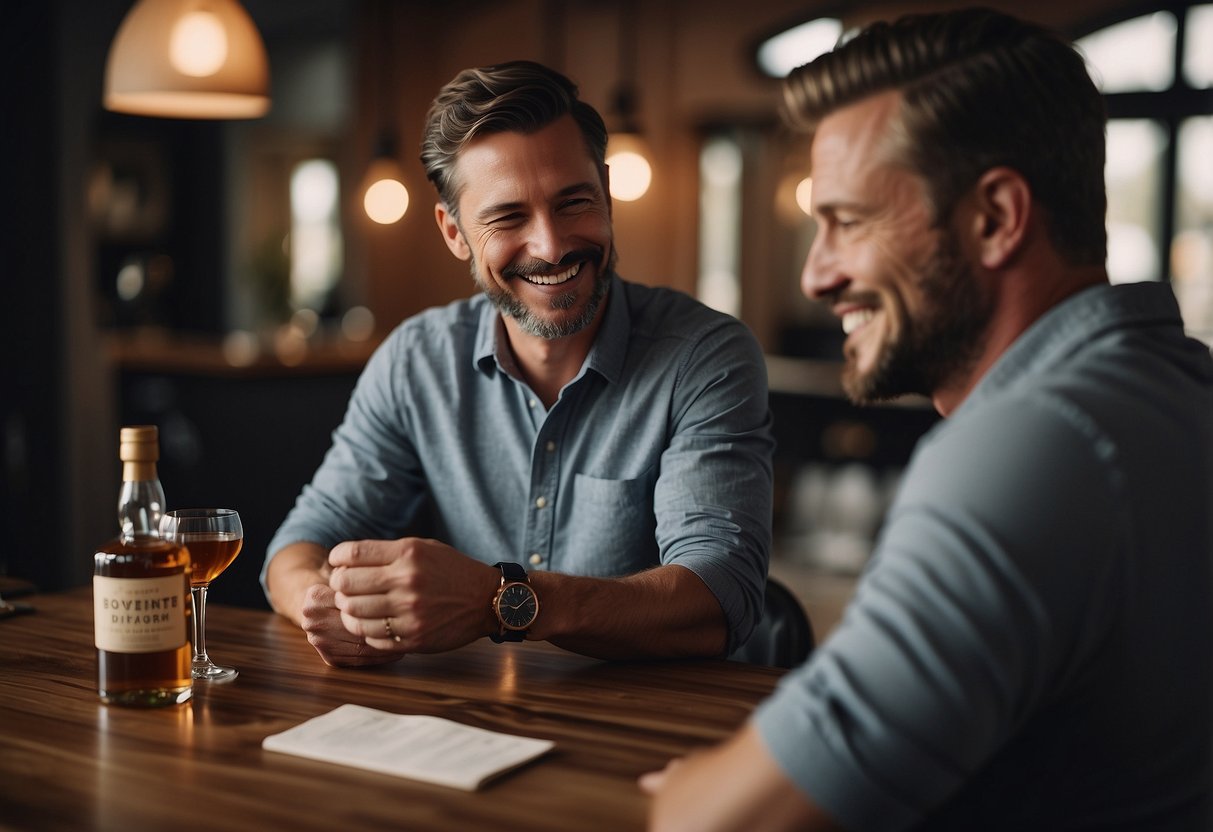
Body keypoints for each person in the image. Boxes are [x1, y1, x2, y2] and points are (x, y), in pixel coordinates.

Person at [643, 8, 1213, 830]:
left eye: (847, 221)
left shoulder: (1033, 444)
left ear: (993, 218)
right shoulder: (1175, 388)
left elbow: (718, 821)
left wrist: (698, 783)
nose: (815, 274)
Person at [262, 60, 774, 667]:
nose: (552, 246)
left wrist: (498, 602)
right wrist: (328, 606)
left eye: (573, 202)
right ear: (454, 233)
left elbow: (720, 599)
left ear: (606, 194)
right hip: (466, 728)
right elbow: (295, 550)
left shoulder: (704, 357)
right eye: (508, 217)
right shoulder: (415, 361)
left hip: (650, 738)